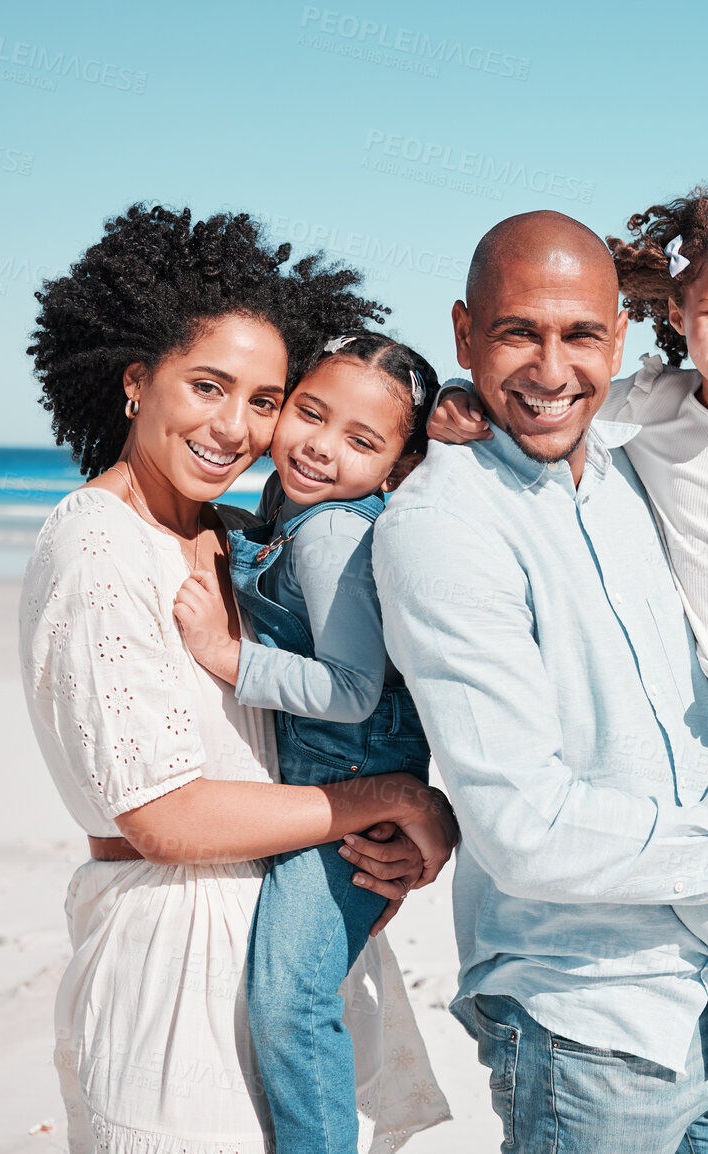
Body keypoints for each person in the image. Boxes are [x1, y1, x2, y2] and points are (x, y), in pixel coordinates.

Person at [373, 209, 708, 1153]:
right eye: (519, 332)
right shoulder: (444, 528)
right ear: (464, 334)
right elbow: (525, 830)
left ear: (624, 337)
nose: (553, 372)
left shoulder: (627, 476)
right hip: (595, 1034)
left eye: (581, 336)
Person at [19, 204, 455, 1154]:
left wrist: (406, 821)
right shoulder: (99, 545)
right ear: (136, 381)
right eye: (208, 386)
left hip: (266, 937)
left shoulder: (228, 534)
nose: (236, 427)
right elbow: (164, 819)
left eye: (263, 398)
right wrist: (389, 799)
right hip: (169, 975)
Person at [172, 331, 442, 1153]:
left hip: (353, 784)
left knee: (292, 997)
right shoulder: (296, 514)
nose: (322, 448)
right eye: (310, 414)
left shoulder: (331, 535)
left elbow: (352, 691)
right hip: (335, 779)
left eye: (361, 441)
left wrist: (227, 658)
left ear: (396, 465)